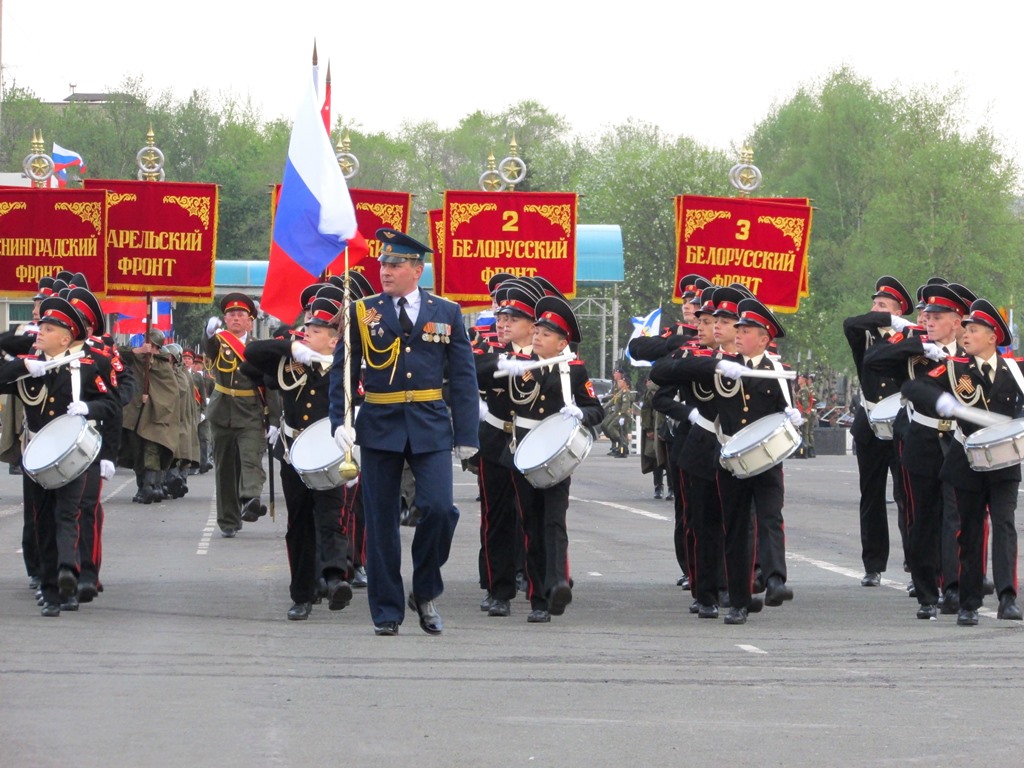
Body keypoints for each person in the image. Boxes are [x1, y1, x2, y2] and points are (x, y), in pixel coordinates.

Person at [330, 227, 479, 636]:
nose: (386, 271)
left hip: (430, 425)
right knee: (380, 523)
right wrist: (340, 421)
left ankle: (426, 590)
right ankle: (387, 611)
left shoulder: (446, 312)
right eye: (383, 264)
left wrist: (467, 434)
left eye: (395, 264)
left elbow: (464, 377)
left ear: (418, 269)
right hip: (379, 424)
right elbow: (342, 373)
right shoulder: (363, 311)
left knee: (438, 509)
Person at [651, 297, 800, 624]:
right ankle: (716, 595)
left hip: (757, 456)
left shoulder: (773, 367)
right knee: (715, 526)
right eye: (710, 322)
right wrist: (714, 365)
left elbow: (781, 406)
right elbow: (662, 373)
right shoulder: (709, 359)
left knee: (759, 521)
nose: (716, 327)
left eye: (731, 324)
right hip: (716, 451)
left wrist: (792, 415)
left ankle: (763, 583)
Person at [901, 298, 1023, 624]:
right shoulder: (954, 368)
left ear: (993, 336)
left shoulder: (1016, 369)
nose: (966, 334)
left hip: (1005, 462)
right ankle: (969, 603)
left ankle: (1008, 597)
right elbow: (914, 386)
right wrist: (939, 399)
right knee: (969, 532)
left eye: (974, 329)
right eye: (965, 328)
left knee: (1004, 524)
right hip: (966, 461)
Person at [0, 295, 118, 616]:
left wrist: (89, 407)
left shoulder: (89, 365)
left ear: (66, 337)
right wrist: (22, 365)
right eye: (40, 326)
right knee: (43, 521)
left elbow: (112, 404)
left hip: (72, 455)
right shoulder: (28, 365)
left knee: (68, 514)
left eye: (48, 328)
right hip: (37, 456)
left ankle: (69, 571)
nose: (39, 332)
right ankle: (51, 591)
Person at [862, 282, 971, 618]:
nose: (929, 320)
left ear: (957, 321)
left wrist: (951, 357)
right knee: (921, 517)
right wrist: (918, 344)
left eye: (938, 316)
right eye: (927, 315)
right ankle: (926, 592)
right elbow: (873, 361)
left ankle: (953, 587)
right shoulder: (914, 347)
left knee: (955, 516)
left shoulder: (969, 350)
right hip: (920, 436)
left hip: (958, 440)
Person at [493, 295, 604, 622]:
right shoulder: (515, 362)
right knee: (531, 525)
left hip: (556, 457)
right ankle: (538, 597)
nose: (538, 336)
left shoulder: (573, 369)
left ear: (561, 342)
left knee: (553, 522)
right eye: (537, 331)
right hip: (522, 453)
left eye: (546, 333)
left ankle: (556, 585)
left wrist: (580, 413)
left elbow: (597, 410)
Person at [247, 295, 354, 621]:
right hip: (293, 453)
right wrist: (291, 348)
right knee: (300, 524)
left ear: (334, 338)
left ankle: (335, 579)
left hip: (331, 454)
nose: (308, 331)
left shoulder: (345, 367)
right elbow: (250, 356)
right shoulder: (289, 360)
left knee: (330, 517)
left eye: (317, 329)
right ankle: (303, 594)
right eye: (307, 326)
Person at [474, 279, 541, 617]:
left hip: (534, 443)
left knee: (535, 517)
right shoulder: (492, 352)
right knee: (497, 518)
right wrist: (504, 365)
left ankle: (537, 584)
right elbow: (470, 370)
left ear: (532, 324)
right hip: (497, 439)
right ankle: (497, 588)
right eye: (501, 318)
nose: (502, 324)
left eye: (511, 319)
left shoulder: (548, 356)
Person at [842, 276, 914, 587]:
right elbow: (850, 323)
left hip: (900, 423)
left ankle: (915, 564)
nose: (874, 309)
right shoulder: (866, 336)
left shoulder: (908, 338)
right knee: (870, 496)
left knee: (906, 496)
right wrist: (885, 317)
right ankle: (873, 564)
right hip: (869, 423)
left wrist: (899, 326)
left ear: (900, 310)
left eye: (882, 305)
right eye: (874, 304)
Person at [205, 292, 270, 537]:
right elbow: (210, 350)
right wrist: (210, 334)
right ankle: (229, 520)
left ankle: (251, 498)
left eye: (241, 315)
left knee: (251, 457)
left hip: (251, 410)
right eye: (231, 314)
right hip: (222, 411)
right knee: (225, 469)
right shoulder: (219, 342)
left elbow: (269, 384)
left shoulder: (259, 348)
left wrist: (273, 419)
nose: (235, 318)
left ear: (250, 321)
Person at [600, 368, 633, 457]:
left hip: (622, 414)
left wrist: (622, 415)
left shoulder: (625, 392)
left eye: (616, 373)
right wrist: (603, 407)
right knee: (611, 428)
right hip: (617, 412)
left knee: (620, 431)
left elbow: (626, 405)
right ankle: (620, 447)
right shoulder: (620, 391)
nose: (619, 383)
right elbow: (613, 400)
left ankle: (622, 448)